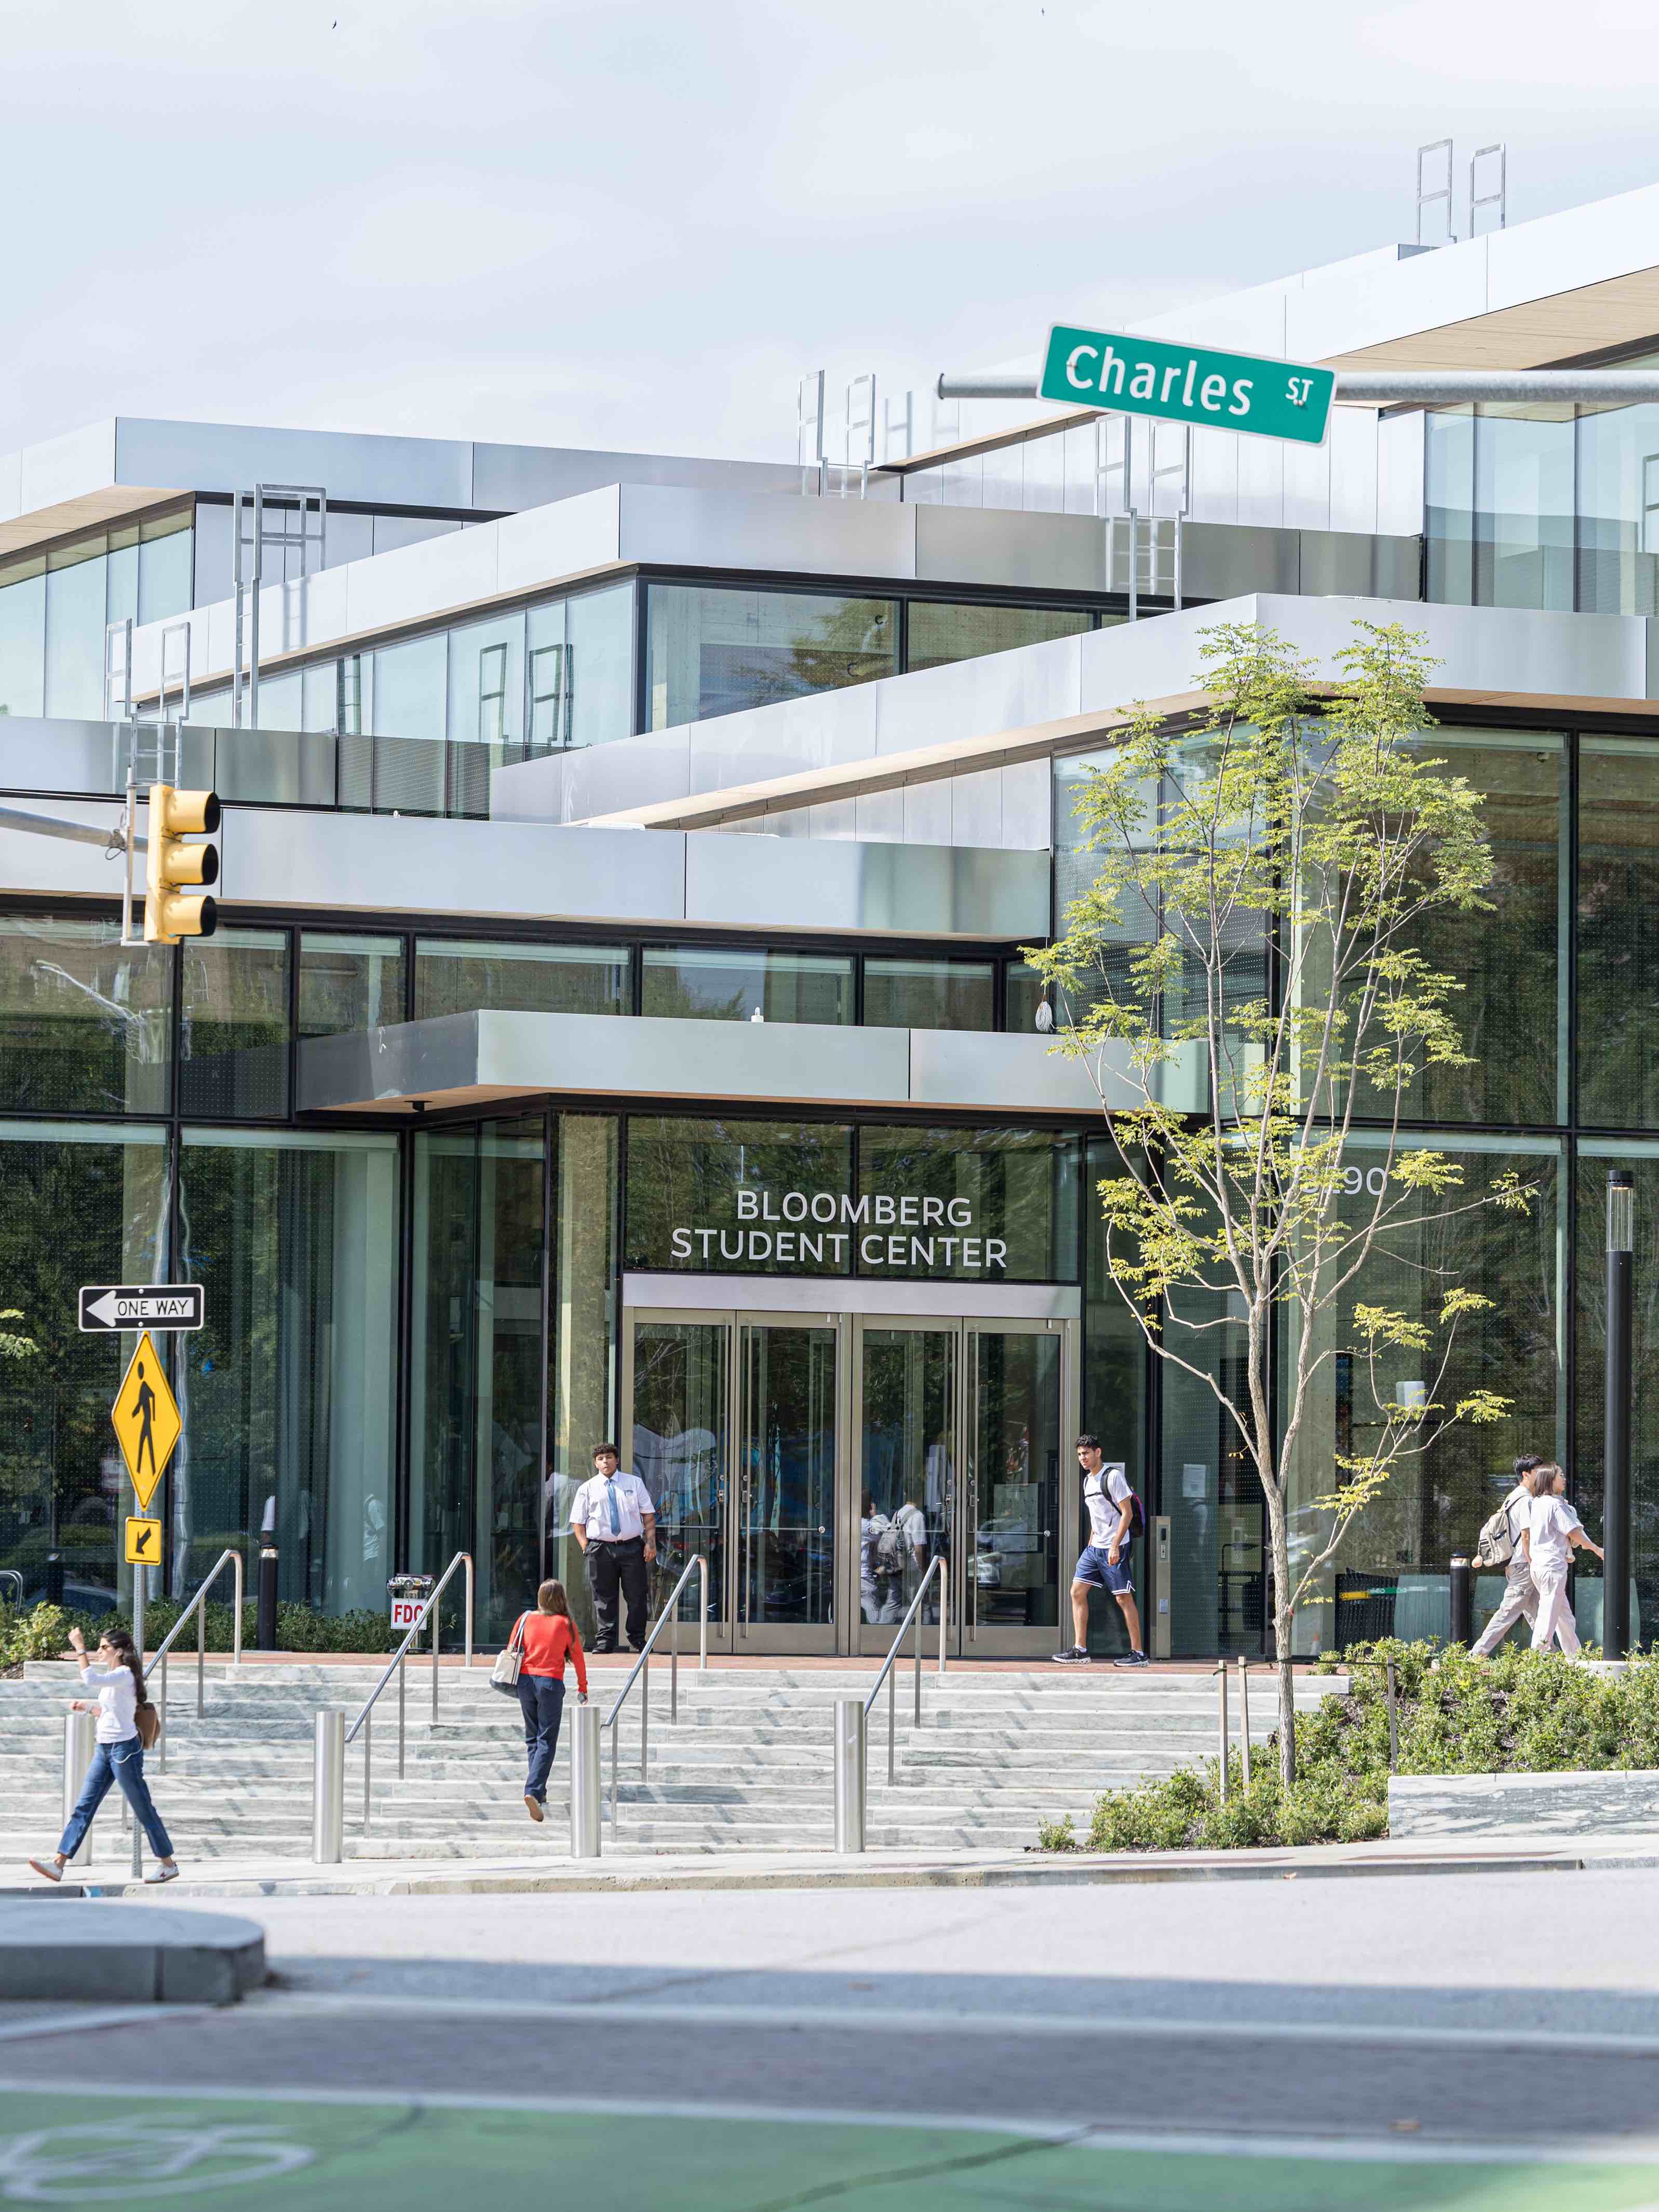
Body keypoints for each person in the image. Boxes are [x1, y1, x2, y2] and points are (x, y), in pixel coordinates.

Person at [27, 1624, 178, 1883]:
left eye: (104, 1647)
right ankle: (59, 1864)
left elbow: (89, 1679)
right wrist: (89, 1709)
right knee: (84, 1806)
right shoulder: (114, 1678)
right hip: (104, 1748)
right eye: (98, 1647)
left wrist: (79, 1647)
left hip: (124, 1751)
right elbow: (113, 1713)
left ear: (119, 1651)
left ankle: (168, 1864)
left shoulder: (124, 1674)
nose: (99, 1651)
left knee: (143, 1809)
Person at [1054, 1435, 1147, 1668]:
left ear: (1098, 1452)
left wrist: (1115, 1545)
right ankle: (1080, 1650)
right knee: (1077, 1592)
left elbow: (1128, 1513)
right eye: (1079, 1455)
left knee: (1123, 1598)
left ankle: (1139, 1653)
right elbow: (1097, 1517)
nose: (1082, 1458)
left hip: (1115, 1546)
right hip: (1094, 1548)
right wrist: (1091, 1542)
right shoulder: (1088, 1482)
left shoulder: (1112, 1476)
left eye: (1086, 1453)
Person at [510, 1579, 588, 1823]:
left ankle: (539, 1791)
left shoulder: (525, 1619)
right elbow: (578, 1657)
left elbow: (512, 1647)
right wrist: (583, 1687)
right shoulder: (565, 1624)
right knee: (546, 1740)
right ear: (561, 1598)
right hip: (550, 1685)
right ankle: (533, 1791)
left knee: (532, 1737)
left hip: (525, 1682)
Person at [569, 1442, 656, 1654]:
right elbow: (578, 1523)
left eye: (609, 1457)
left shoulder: (634, 1483)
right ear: (596, 1463)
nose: (605, 1462)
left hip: (632, 1547)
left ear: (616, 1460)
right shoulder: (587, 1488)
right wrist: (586, 1548)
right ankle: (605, 1642)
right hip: (600, 1549)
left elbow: (649, 1515)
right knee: (603, 1598)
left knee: (637, 1596)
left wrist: (650, 1542)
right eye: (600, 1459)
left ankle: (637, 1639)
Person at [1521, 1462, 1604, 1657]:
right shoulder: (1554, 1504)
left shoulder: (1538, 1503)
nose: (1565, 1479)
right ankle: (1536, 1659)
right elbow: (1574, 1531)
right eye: (1561, 1475)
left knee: (1563, 1616)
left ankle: (1575, 1657)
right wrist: (1597, 1549)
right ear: (1550, 1480)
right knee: (1549, 1614)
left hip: (1540, 1566)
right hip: (1552, 1567)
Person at [1469, 1454, 1543, 1657]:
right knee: (1507, 1614)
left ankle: (1549, 1656)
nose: (1543, 1475)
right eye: (1538, 1471)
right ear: (1526, 1475)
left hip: (1516, 1566)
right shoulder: (1526, 1500)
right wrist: (1532, 1562)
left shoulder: (1513, 1496)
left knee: (1538, 1614)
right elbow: (1526, 1534)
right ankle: (1476, 1656)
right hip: (1524, 1566)